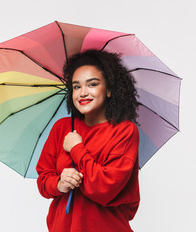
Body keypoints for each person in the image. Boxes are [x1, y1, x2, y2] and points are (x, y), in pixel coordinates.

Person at [36, 49, 140, 232]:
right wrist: (60, 183)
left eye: (92, 84)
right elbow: (44, 179)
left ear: (108, 90)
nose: (82, 92)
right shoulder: (62, 128)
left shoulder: (125, 131)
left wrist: (76, 148)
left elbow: (104, 188)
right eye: (76, 87)